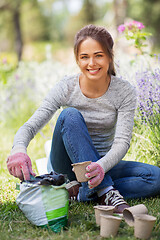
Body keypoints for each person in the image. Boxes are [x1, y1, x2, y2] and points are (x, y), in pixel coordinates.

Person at [7, 24, 160, 214]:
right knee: (69, 115)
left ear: (110, 56)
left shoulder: (124, 91)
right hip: (67, 168)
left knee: (155, 178)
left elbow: (122, 142)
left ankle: (80, 193)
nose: (91, 63)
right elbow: (30, 126)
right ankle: (105, 191)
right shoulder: (66, 87)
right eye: (84, 57)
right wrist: (19, 149)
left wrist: (101, 166)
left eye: (98, 55)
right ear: (77, 60)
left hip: (102, 165)